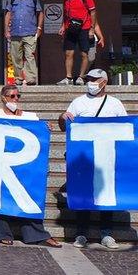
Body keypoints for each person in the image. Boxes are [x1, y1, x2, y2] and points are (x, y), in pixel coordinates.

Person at [0, 85, 61, 247]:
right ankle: (3, 233)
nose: (15, 99)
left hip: (24, 166)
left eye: (17, 96)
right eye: (12, 96)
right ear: (3, 98)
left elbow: (39, 134)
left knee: (28, 195)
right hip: (1, 163)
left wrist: (46, 128)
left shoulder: (31, 117)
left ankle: (36, 233)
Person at [58, 68, 126, 249]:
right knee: (82, 193)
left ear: (104, 82)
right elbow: (63, 126)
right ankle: (81, 233)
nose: (91, 82)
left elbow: (126, 129)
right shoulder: (78, 102)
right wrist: (63, 117)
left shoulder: (115, 103)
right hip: (83, 157)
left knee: (106, 194)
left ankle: (107, 234)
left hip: (107, 157)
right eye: (88, 79)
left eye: (94, 79)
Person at [58, 0, 105, 85]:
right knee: (68, 53)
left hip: (84, 28)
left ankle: (81, 76)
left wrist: (92, 29)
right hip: (71, 28)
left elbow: (93, 13)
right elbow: (66, 13)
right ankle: (68, 77)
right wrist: (63, 26)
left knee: (84, 54)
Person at [4, 0, 43, 86]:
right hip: (15, 33)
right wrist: (6, 29)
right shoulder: (13, 0)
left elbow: (40, 13)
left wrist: (39, 28)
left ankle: (31, 78)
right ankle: (18, 78)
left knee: (29, 55)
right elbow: (8, 14)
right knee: (16, 56)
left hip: (29, 32)